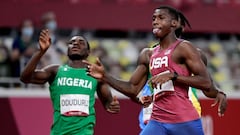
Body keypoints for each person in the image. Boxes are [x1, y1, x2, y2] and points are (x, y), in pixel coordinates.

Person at [83, 5, 226, 135]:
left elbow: (206, 83)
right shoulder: (148, 54)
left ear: (174, 23)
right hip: (157, 120)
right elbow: (132, 88)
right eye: (153, 18)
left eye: (161, 18)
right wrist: (105, 76)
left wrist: (173, 76)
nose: (155, 21)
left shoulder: (184, 48)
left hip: (183, 120)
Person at [20, 29, 120, 135]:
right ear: (67, 50)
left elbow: (108, 103)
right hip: (59, 132)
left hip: (84, 132)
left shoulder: (95, 74)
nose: (75, 44)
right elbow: (25, 78)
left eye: (81, 43)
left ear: (88, 52)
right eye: (71, 43)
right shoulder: (55, 71)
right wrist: (41, 52)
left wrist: (112, 105)